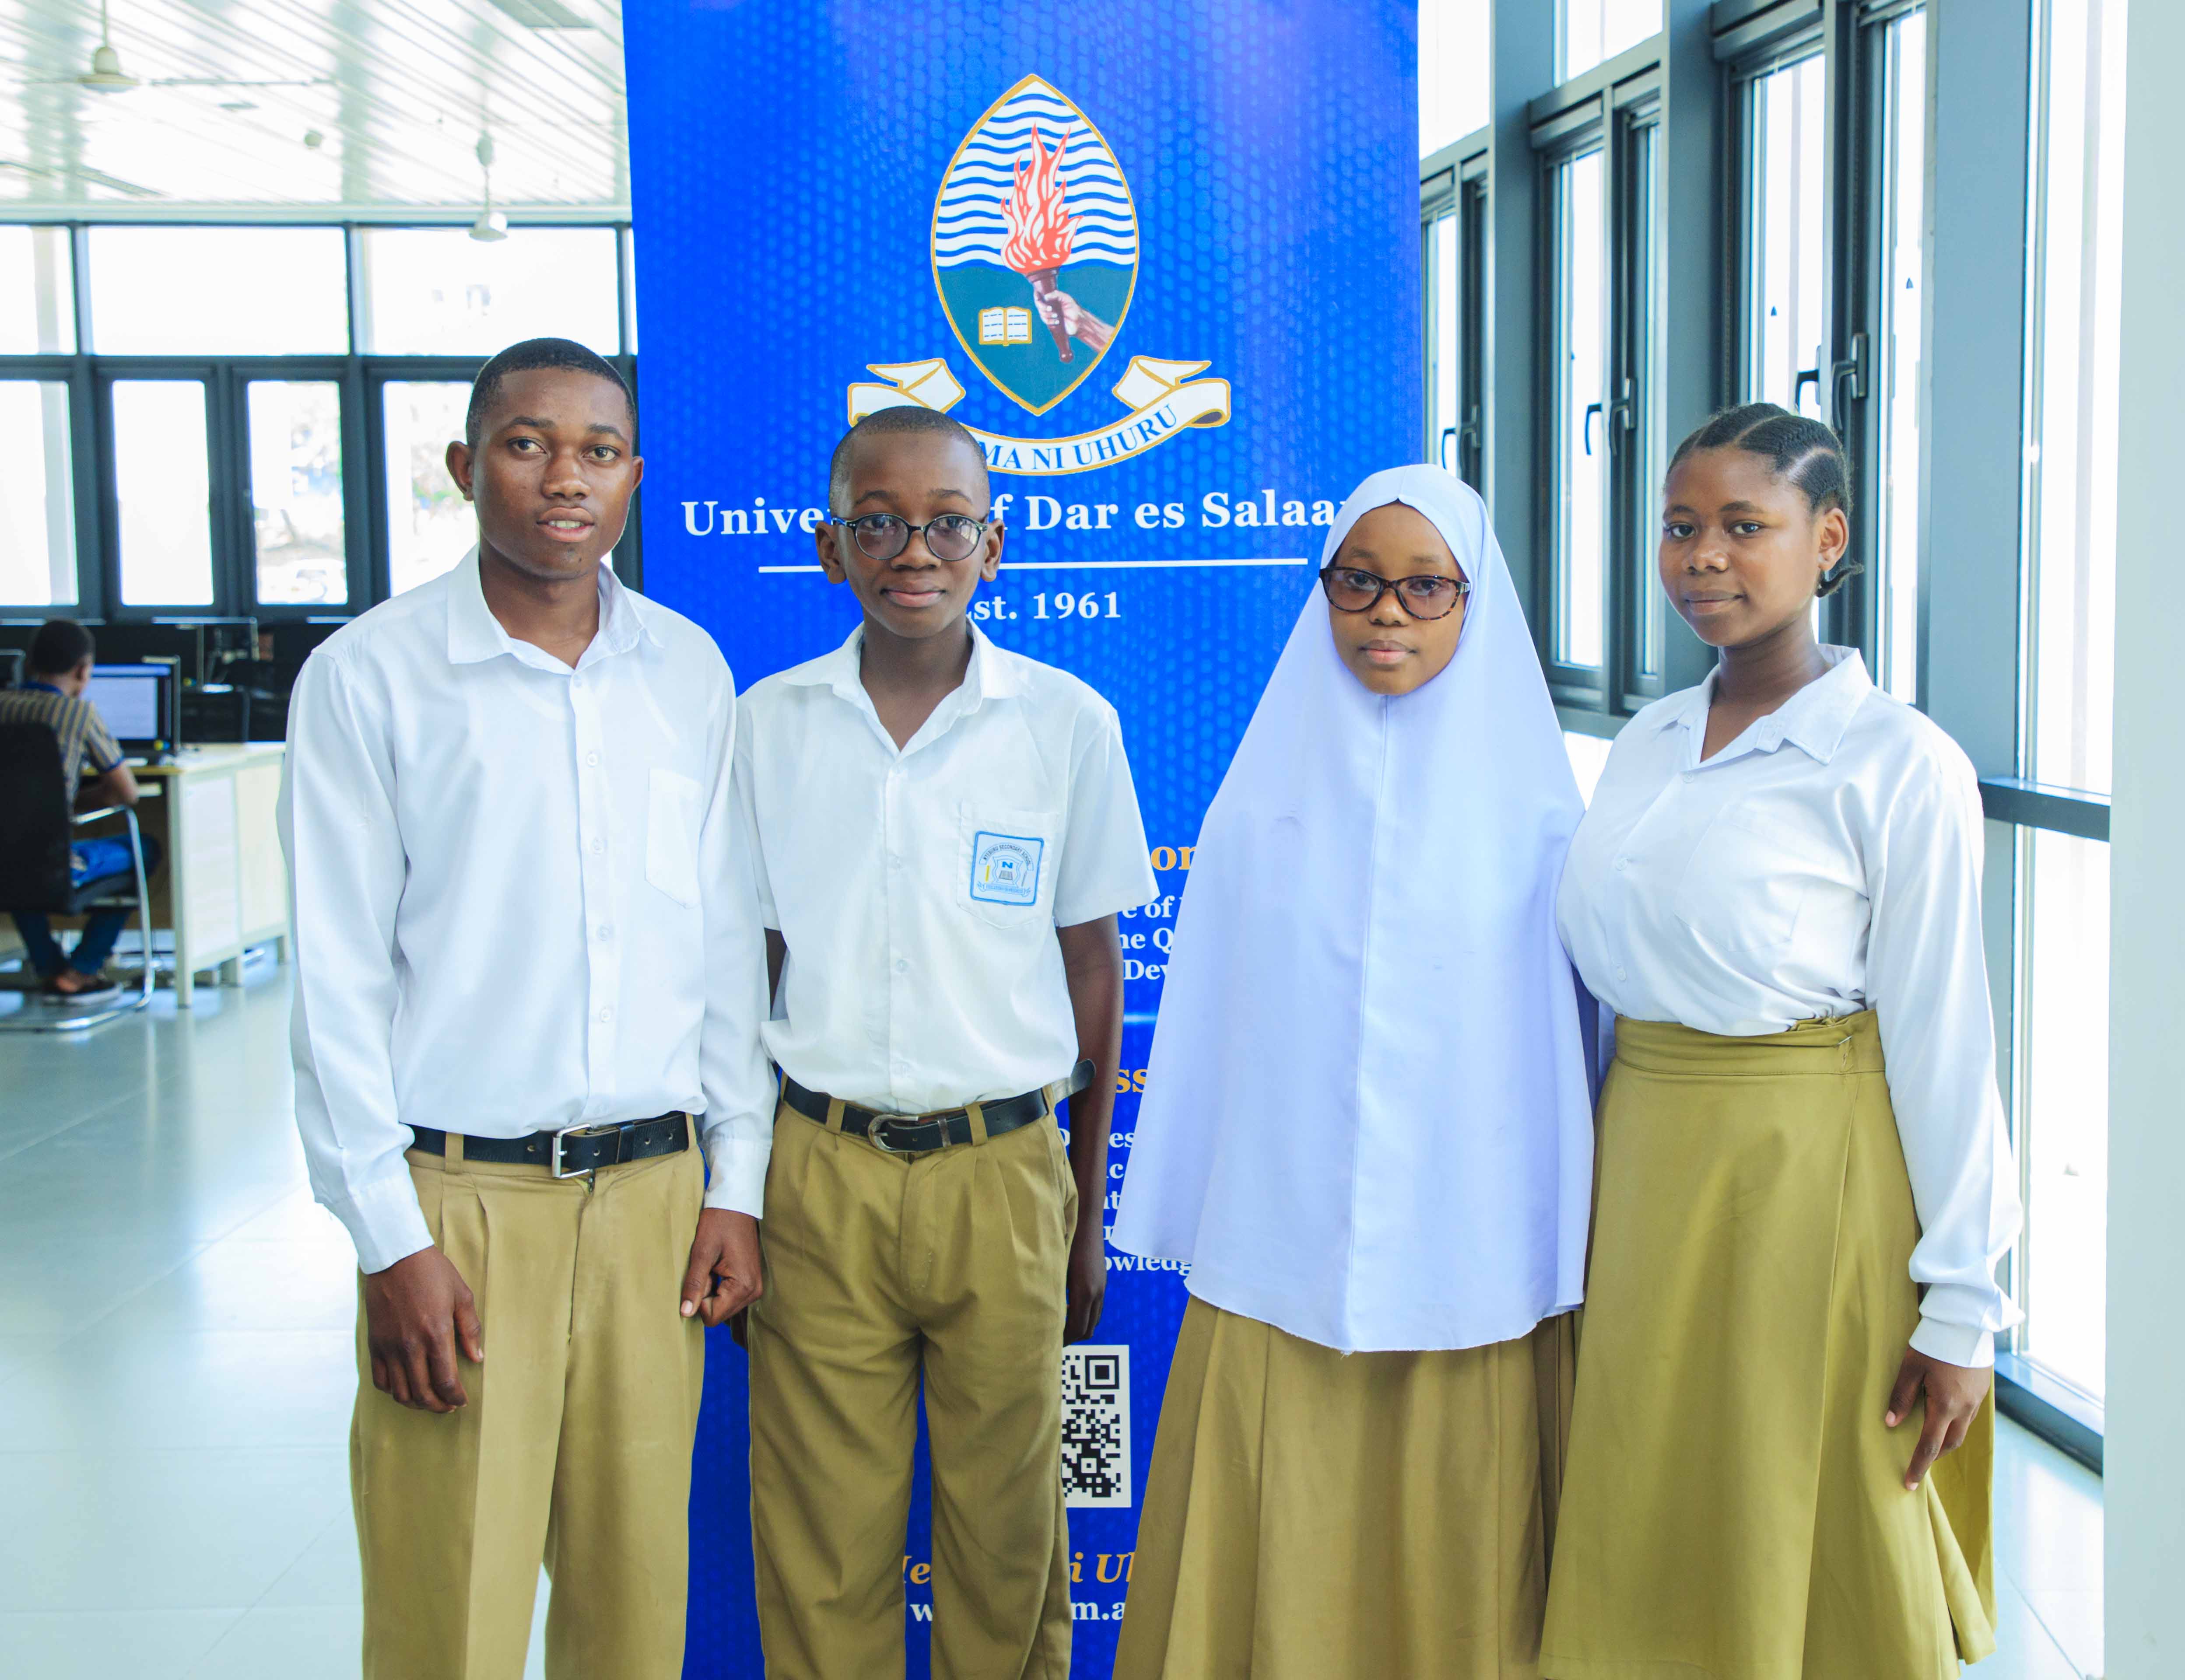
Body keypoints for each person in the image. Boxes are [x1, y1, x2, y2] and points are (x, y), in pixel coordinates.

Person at [280, 337, 773, 1680]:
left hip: (657, 1209)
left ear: (634, 479)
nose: (565, 477)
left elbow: (727, 943)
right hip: (462, 1209)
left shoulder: (686, 672)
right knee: (455, 1613)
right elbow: (336, 982)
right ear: (464, 466)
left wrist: (738, 1181)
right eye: (526, 442)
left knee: (634, 1614)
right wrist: (390, 1238)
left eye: (598, 451)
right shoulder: (370, 677)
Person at [1542, 403, 2020, 1680]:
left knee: (1806, 1493)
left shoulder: (1893, 760)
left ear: (1829, 540)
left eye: (1744, 527)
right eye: (1681, 526)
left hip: (1808, 1168)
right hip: (1643, 1152)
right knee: (1656, 1488)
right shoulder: (1645, 737)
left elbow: (1946, 1033)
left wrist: (1966, 1302)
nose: (1703, 556)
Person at [1111, 465, 1595, 1680]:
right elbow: (1216, 1031)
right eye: (1360, 582)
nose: (1388, 612)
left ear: (1475, 605)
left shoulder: (1547, 825)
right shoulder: (1258, 805)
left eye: (1427, 587)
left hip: (1473, 1272)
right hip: (1280, 1256)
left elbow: (1575, 1062)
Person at [736, 404, 1155, 1680]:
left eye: (945, 524)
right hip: (821, 1172)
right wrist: (737, 1191)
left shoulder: (1066, 722)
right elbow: (741, 977)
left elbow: (1096, 978)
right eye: (877, 521)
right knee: (819, 1540)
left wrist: (1081, 1210)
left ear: (995, 544)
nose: (912, 549)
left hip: (1008, 1172)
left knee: (1012, 1536)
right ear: (829, 546)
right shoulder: (765, 727)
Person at [2, 618, 158, 998]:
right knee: (145, 850)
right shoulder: (78, 714)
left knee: (15, 865)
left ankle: (48, 966)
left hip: (4, 860)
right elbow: (127, 794)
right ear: (83, 670)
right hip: (55, 866)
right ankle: (82, 968)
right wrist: (75, 802)